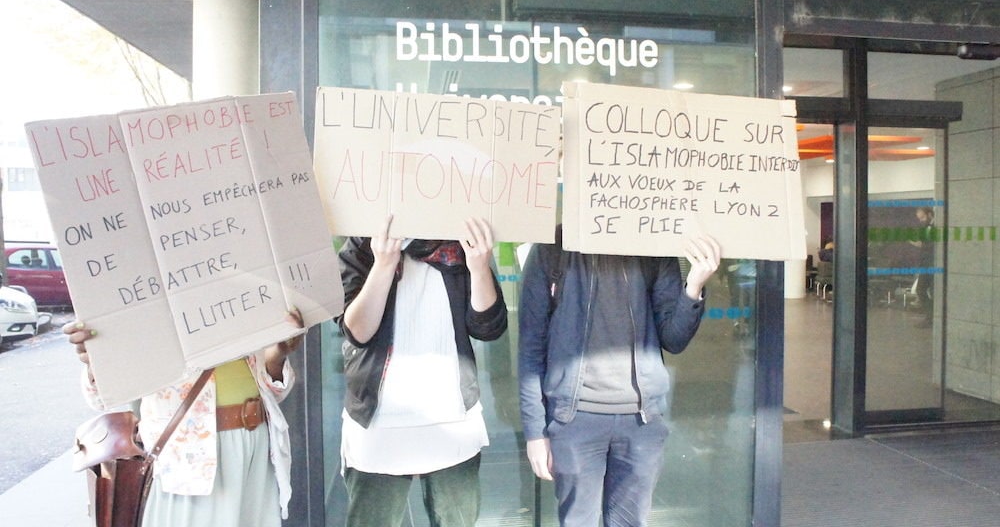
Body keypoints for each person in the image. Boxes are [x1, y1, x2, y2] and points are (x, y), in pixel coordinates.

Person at [518, 226, 720, 527]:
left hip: (641, 422)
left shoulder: (653, 244)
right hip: (574, 418)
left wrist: (694, 286)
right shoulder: (554, 247)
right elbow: (531, 344)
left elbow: (674, 339)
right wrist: (535, 430)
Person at [337, 214, 508, 527]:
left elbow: (488, 327)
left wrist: (479, 266)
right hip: (378, 425)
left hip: (452, 420)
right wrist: (384, 264)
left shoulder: (461, 240)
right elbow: (357, 331)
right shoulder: (364, 244)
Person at [64, 310, 305, 527]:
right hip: (187, 459)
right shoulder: (143, 296)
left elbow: (274, 391)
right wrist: (98, 358)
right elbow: (101, 397)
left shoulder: (239, 288)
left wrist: (276, 355)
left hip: (255, 449)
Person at [909, 206, 935, 327]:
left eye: (923, 217)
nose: (921, 220)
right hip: (926, 263)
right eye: (919, 218)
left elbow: (932, 246)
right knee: (921, 290)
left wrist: (920, 244)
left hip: (932, 264)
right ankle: (931, 317)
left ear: (930, 214)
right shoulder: (925, 227)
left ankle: (932, 317)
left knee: (930, 291)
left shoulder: (936, 226)